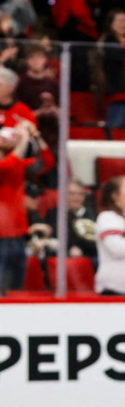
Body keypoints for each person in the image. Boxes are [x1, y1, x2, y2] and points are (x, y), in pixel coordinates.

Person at [0, 120, 33, 295]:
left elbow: (45, 163)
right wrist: (24, 139)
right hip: (2, 235)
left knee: (15, 288)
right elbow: (7, 166)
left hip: (17, 233)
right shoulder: (9, 164)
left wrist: (37, 137)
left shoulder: (15, 164)